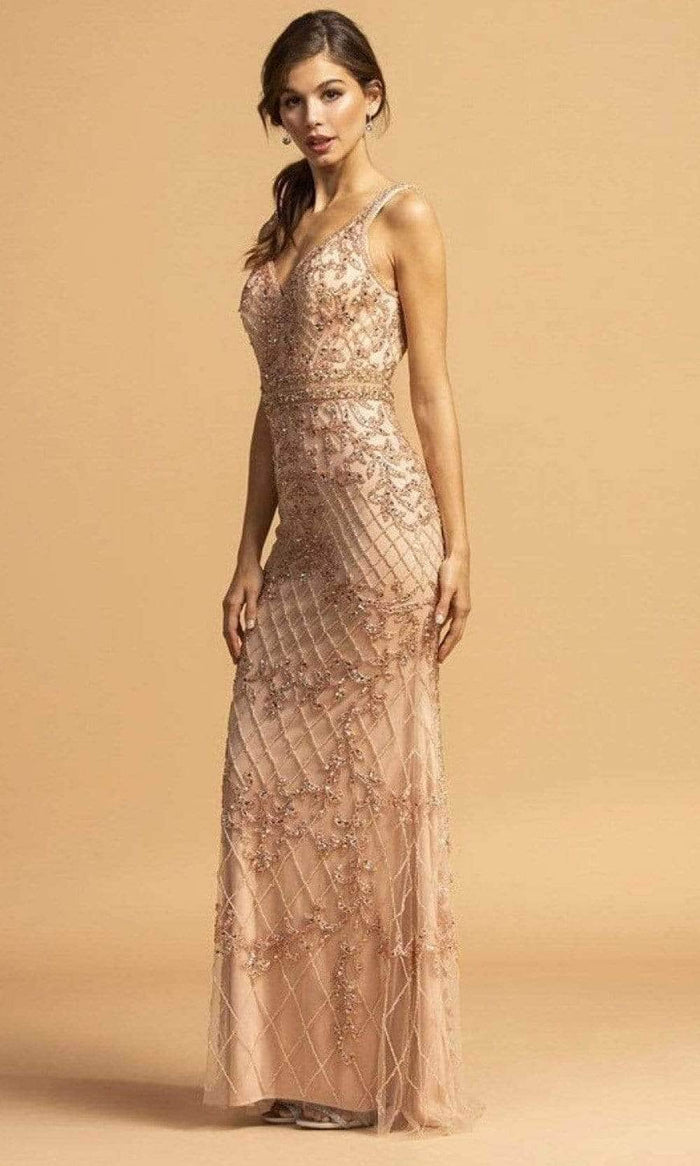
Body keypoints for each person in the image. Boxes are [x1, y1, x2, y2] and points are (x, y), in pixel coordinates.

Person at [201, 9, 484, 1138]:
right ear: (275, 113)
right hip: (302, 551)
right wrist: (246, 554)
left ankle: (363, 1075)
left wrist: (459, 543)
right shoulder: (284, 229)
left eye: (330, 92)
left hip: (378, 535)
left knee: (367, 796)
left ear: (371, 94)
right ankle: (290, 1056)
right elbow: (273, 407)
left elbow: (432, 390)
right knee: (268, 788)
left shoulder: (401, 214)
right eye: (292, 99)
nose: (311, 116)